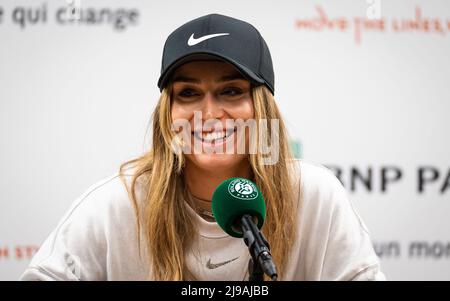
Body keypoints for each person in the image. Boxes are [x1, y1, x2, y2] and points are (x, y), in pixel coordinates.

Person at [21, 13, 385, 281]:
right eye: (189, 94)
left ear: (262, 107)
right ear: (169, 113)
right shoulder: (118, 203)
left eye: (231, 91)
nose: (209, 114)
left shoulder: (315, 195)